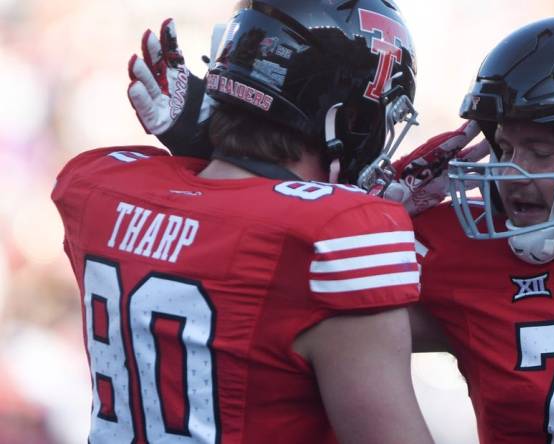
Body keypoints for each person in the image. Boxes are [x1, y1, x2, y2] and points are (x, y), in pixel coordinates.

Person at [126, 11, 554, 444]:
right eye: (502, 146)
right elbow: (273, 287)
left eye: (538, 151)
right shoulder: (465, 251)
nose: (508, 172)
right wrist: (229, 150)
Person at [52, 1, 434, 443]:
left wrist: (206, 140)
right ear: (349, 119)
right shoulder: (336, 233)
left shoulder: (97, 185)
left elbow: (214, 221)